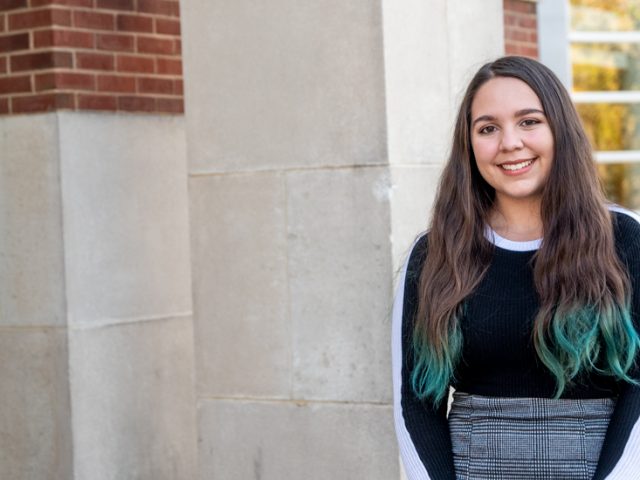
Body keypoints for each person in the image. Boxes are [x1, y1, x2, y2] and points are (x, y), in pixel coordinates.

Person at [392, 56, 640, 480]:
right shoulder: (434, 252)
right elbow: (414, 401)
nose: (509, 143)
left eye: (529, 121)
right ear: (469, 145)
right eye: (488, 128)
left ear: (560, 129)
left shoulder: (624, 238)